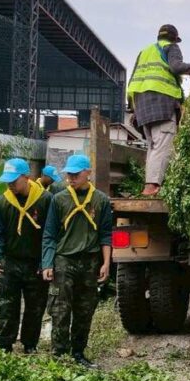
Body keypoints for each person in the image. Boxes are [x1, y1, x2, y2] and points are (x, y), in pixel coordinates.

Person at [41, 154, 113, 367]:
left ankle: (79, 353)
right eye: (69, 174)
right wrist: (47, 263)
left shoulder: (100, 200)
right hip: (64, 260)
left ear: (88, 173)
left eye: (76, 174)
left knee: (85, 309)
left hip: (90, 261)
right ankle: (59, 355)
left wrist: (106, 263)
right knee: (60, 309)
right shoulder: (59, 199)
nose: (71, 178)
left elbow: (105, 234)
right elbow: (49, 234)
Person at [127, 24, 190, 196]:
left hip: (142, 106)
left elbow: (133, 80)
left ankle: (150, 185)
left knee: (153, 146)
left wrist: (132, 107)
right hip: (162, 103)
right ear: (174, 39)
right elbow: (176, 67)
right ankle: (152, 186)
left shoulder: (144, 52)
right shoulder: (171, 47)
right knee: (163, 145)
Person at [0, 158, 52, 353]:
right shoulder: (2, 202)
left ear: (26, 177)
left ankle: (30, 344)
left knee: (35, 307)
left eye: (14, 180)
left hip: (35, 263)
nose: (10, 184)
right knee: (6, 306)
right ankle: (4, 345)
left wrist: (46, 262)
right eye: (7, 181)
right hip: (10, 262)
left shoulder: (45, 200)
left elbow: (50, 234)